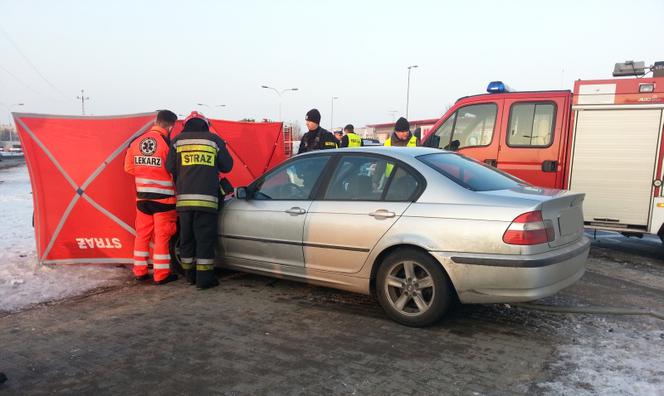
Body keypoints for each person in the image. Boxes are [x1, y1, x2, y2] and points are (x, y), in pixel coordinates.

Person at [166, 111, 233, 290]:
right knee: (204, 239)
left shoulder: (177, 141)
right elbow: (228, 166)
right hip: (207, 201)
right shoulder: (214, 140)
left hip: (184, 202)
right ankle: (205, 279)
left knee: (187, 238)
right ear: (205, 124)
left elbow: (169, 167)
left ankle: (190, 276)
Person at [124, 109, 179, 284]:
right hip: (164, 200)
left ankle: (140, 271)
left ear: (156, 121)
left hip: (142, 198)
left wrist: (145, 173)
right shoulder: (166, 143)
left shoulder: (136, 142)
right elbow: (173, 170)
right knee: (162, 237)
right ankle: (161, 275)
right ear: (170, 126)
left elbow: (128, 168)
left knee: (142, 235)